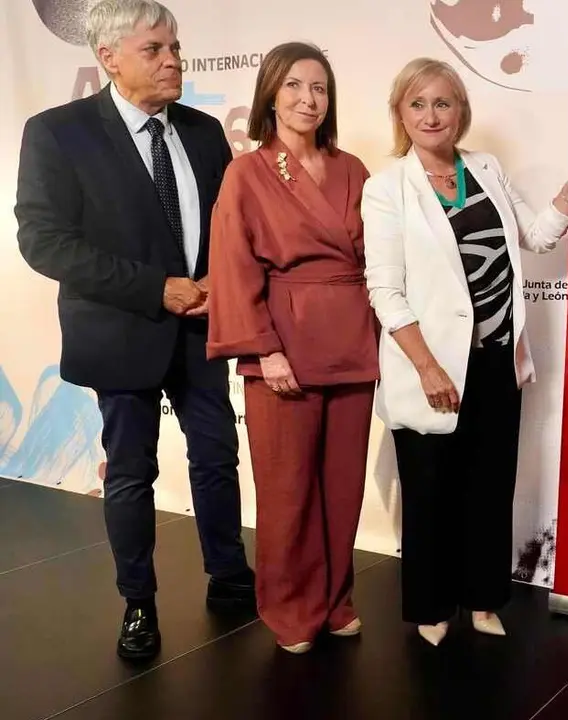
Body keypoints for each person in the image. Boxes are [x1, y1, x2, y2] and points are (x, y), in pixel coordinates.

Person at [14, 0, 254, 661]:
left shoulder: (204, 131)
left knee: (217, 458)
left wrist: (219, 281)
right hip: (120, 332)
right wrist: (156, 288)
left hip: (202, 330)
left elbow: (231, 228)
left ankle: (230, 578)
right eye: (154, 50)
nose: (173, 60)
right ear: (109, 58)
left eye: (174, 46)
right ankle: (139, 603)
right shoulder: (57, 133)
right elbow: (44, 242)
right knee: (130, 473)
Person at [362, 58, 568, 646]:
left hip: (497, 361)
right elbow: (385, 290)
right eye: (418, 104)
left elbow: (536, 236)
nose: (431, 115)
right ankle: (432, 608)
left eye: (443, 102)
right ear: (400, 113)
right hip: (430, 368)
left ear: (461, 110)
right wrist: (427, 366)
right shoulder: (387, 188)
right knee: (429, 493)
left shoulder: (485, 168)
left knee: (489, 487)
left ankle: (482, 600)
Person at [205, 42, 378, 654]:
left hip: (352, 338)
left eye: (320, 88)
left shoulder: (353, 168)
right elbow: (233, 267)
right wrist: (263, 351)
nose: (309, 100)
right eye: (295, 87)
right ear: (271, 97)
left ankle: (335, 601)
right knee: (287, 489)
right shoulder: (247, 172)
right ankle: (290, 609)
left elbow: (378, 257)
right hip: (285, 345)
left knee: (342, 486)